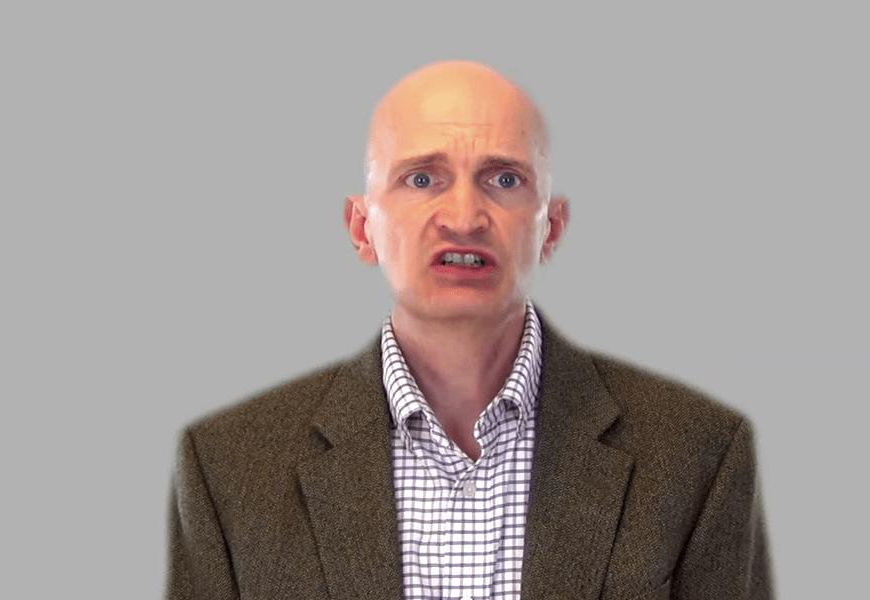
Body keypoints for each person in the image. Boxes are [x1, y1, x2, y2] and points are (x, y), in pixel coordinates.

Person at [166, 60, 774, 600]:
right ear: (361, 227)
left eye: (504, 179)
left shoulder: (699, 453)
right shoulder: (227, 468)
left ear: (551, 228)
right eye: (421, 178)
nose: (463, 217)